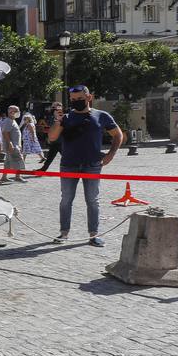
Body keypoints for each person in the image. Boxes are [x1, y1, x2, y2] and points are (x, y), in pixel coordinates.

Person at [48, 86, 124, 246]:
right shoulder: (66, 117)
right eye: (73, 99)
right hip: (69, 164)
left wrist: (111, 154)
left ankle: (93, 235)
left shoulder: (101, 116)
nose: (76, 102)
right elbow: (52, 137)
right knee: (66, 200)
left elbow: (118, 135)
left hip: (93, 165)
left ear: (89, 97)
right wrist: (57, 121)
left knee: (92, 200)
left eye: (80, 98)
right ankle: (64, 233)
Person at [1, 105, 26, 184]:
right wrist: (10, 143)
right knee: (18, 160)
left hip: (14, 145)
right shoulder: (8, 121)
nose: (18, 113)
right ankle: (17, 177)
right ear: (11, 112)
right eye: (17, 111)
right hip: (12, 145)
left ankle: (4, 177)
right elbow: (5, 132)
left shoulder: (12, 120)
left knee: (8, 162)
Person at [39, 102, 64, 173]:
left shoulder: (63, 116)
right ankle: (43, 169)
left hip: (61, 141)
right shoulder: (51, 117)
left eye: (56, 107)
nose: (54, 109)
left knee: (67, 157)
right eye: (53, 107)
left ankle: (75, 170)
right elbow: (49, 127)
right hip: (54, 141)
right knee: (50, 156)